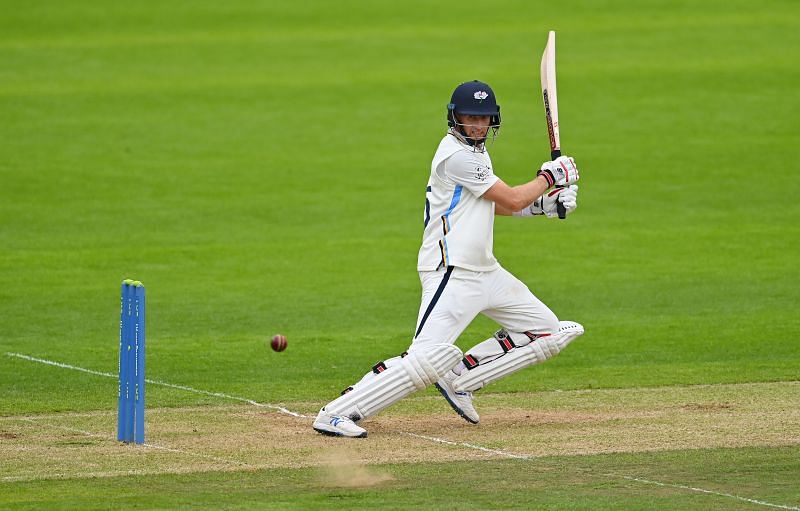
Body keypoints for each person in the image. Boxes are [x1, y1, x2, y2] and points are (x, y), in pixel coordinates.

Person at [313, 80, 584, 438]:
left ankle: (461, 378)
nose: (477, 125)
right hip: (451, 271)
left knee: (546, 331)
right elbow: (513, 198)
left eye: (484, 118)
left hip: (486, 271)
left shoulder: (477, 154)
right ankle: (337, 412)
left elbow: (493, 204)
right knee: (426, 357)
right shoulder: (455, 155)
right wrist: (549, 177)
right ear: (454, 118)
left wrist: (544, 206)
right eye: (470, 117)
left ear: (493, 121)